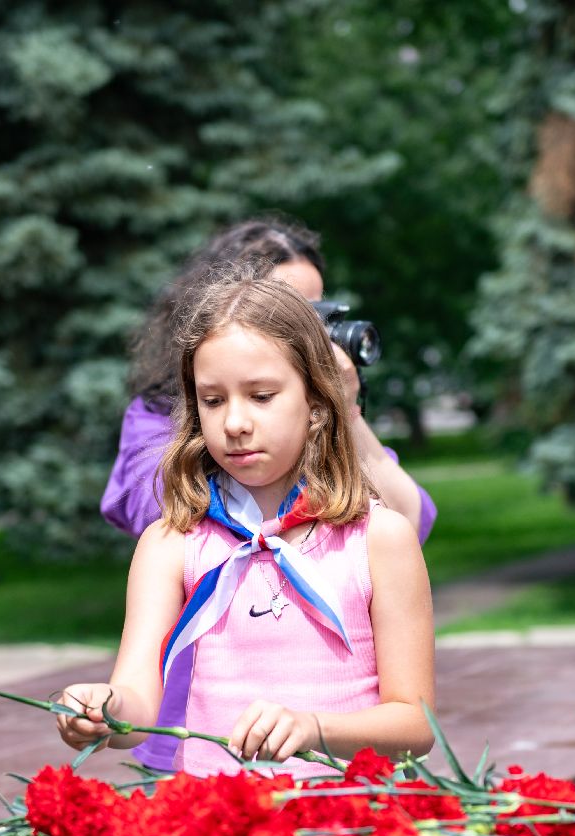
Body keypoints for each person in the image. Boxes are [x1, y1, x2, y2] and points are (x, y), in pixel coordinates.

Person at [59, 269, 436, 777]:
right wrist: (102, 709)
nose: (234, 422)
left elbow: (414, 727)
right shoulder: (170, 543)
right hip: (219, 822)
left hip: (347, 821)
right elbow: (139, 711)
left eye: (261, 396)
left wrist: (313, 727)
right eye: (213, 400)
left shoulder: (379, 539)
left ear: (318, 402)